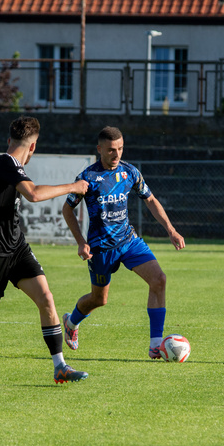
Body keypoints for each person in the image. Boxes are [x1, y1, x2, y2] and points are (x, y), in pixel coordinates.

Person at [0, 116, 89, 384]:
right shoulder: (5, 163)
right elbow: (34, 194)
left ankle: (60, 366)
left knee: (46, 298)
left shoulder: (10, 167)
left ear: (9, 140)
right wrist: (73, 187)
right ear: (33, 147)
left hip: (16, 247)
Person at [61, 126, 185, 359]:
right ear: (99, 149)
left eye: (120, 149)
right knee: (99, 299)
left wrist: (171, 230)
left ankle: (156, 345)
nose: (116, 154)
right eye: (110, 150)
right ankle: (72, 321)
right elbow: (67, 209)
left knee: (159, 280)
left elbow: (150, 200)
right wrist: (80, 242)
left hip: (129, 242)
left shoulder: (130, 172)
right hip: (101, 248)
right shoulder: (88, 178)